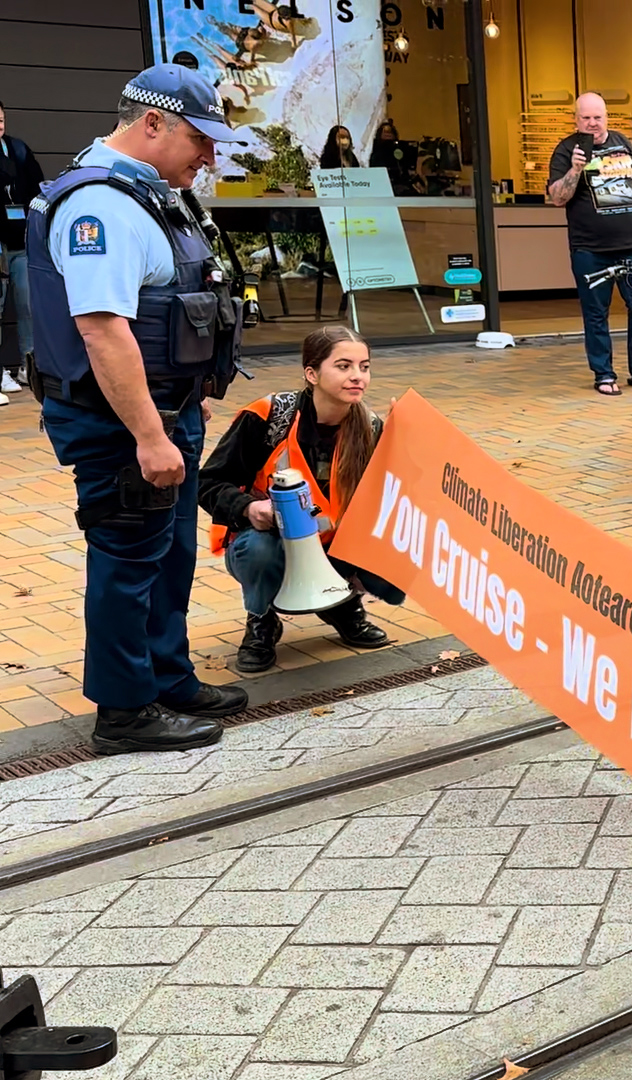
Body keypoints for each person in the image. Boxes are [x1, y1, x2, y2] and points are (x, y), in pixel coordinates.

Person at [25, 63, 251, 753]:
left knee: (170, 550)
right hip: (122, 424)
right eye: (199, 139)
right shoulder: (101, 205)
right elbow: (103, 329)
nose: (209, 156)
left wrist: (185, 406)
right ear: (152, 124)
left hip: (164, 413)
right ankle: (124, 712)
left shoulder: (149, 194)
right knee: (128, 557)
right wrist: (151, 437)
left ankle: (165, 675)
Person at [200, 326, 404, 673]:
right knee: (259, 552)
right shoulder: (268, 416)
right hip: (269, 542)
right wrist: (249, 508)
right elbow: (206, 483)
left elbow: (391, 501)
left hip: (335, 548)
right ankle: (262, 619)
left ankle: (341, 604)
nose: (358, 377)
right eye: (343, 367)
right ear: (312, 373)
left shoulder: (371, 427)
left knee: (400, 556)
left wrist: (402, 443)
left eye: (364, 367)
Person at [546, 92, 632, 396]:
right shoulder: (565, 151)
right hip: (590, 249)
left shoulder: (622, 142)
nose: (592, 124)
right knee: (596, 312)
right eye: (585, 118)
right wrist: (575, 169)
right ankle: (603, 374)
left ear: (606, 117)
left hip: (631, 245)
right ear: (576, 120)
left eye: (597, 117)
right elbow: (557, 198)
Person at [0, 100, 45, 399]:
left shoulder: (17, 149)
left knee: (29, 303)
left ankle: (29, 363)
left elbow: (37, 187)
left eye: (1, 119)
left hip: (20, 240)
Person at [369, 120, 419, 195]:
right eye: (385, 132)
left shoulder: (402, 149)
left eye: (390, 132)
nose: (388, 134)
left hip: (402, 184)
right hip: (383, 185)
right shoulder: (377, 152)